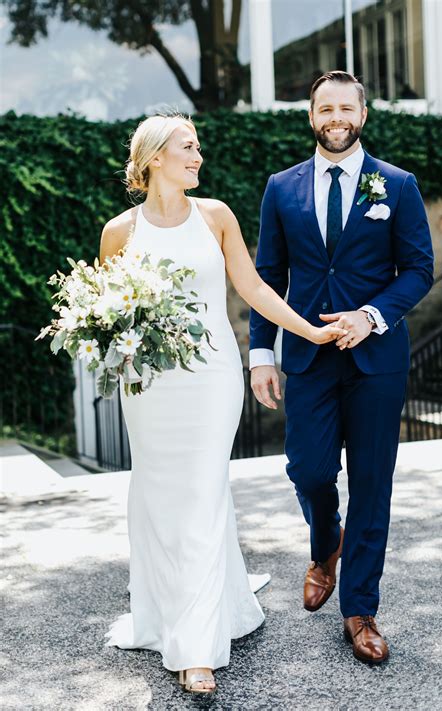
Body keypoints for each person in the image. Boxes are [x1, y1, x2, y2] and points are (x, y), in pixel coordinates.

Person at [101, 114, 347, 693]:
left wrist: (305, 333)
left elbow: (256, 286)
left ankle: (196, 648)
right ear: (156, 157)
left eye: (199, 147)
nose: (198, 156)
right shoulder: (120, 231)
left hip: (211, 378)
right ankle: (176, 608)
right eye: (188, 147)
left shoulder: (215, 216)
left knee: (205, 492)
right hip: (150, 385)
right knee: (160, 492)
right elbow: (110, 315)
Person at [249, 71, 434, 664]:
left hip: (376, 359)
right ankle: (324, 543)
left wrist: (372, 316)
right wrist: (261, 355)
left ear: (362, 114)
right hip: (305, 357)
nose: (335, 117)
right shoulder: (281, 188)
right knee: (308, 470)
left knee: (373, 483)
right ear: (311, 116)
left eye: (345, 108)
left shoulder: (397, 186)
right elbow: (266, 280)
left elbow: (418, 269)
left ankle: (359, 608)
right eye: (324, 108)